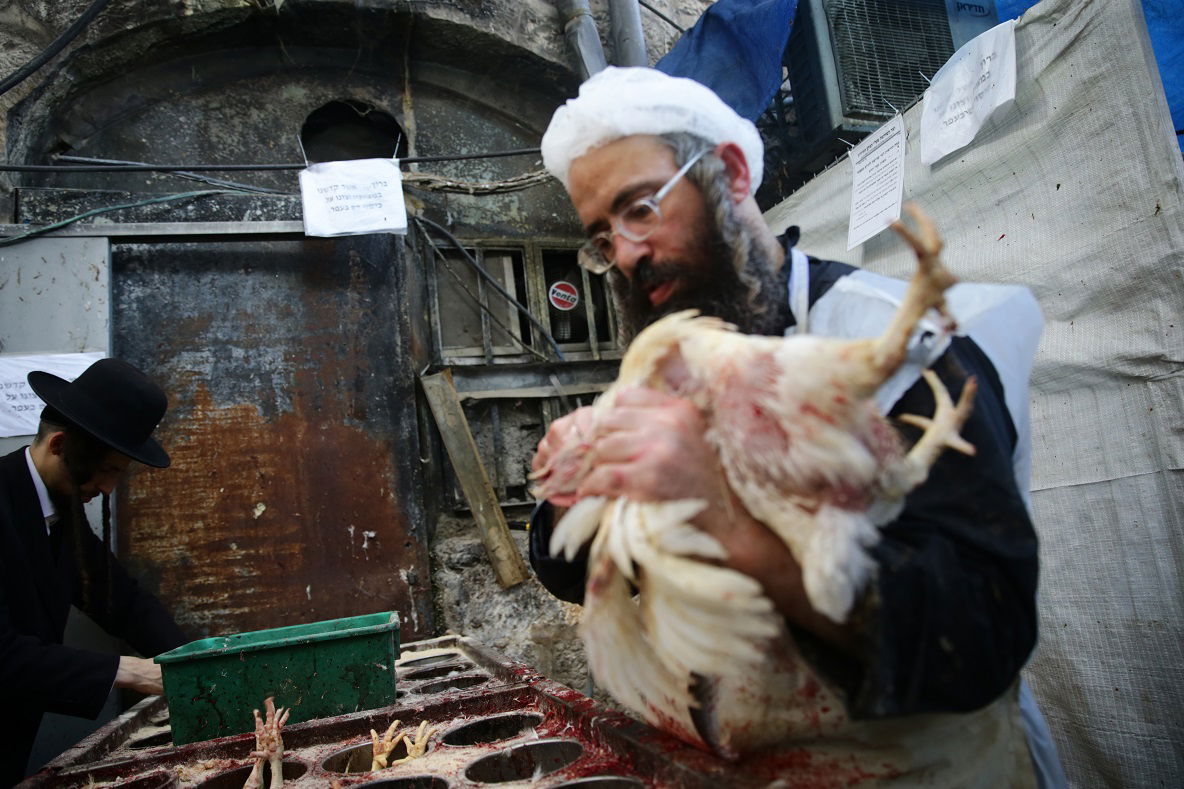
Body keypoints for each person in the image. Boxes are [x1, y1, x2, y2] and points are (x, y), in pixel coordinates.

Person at [529, 66, 1066, 786]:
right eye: (601, 237)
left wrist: (725, 520)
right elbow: (565, 565)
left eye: (642, 208)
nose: (625, 252)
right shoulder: (668, 365)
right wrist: (576, 488)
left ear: (732, 172)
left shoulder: (894, 350)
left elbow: (979, 632)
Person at [0, 358, 188, 787]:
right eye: (104, 470)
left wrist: (189, 664)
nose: (106, 489)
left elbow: (118, 599)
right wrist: (130, 671)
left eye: (117, 474)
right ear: (60, 445)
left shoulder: (59, 507)